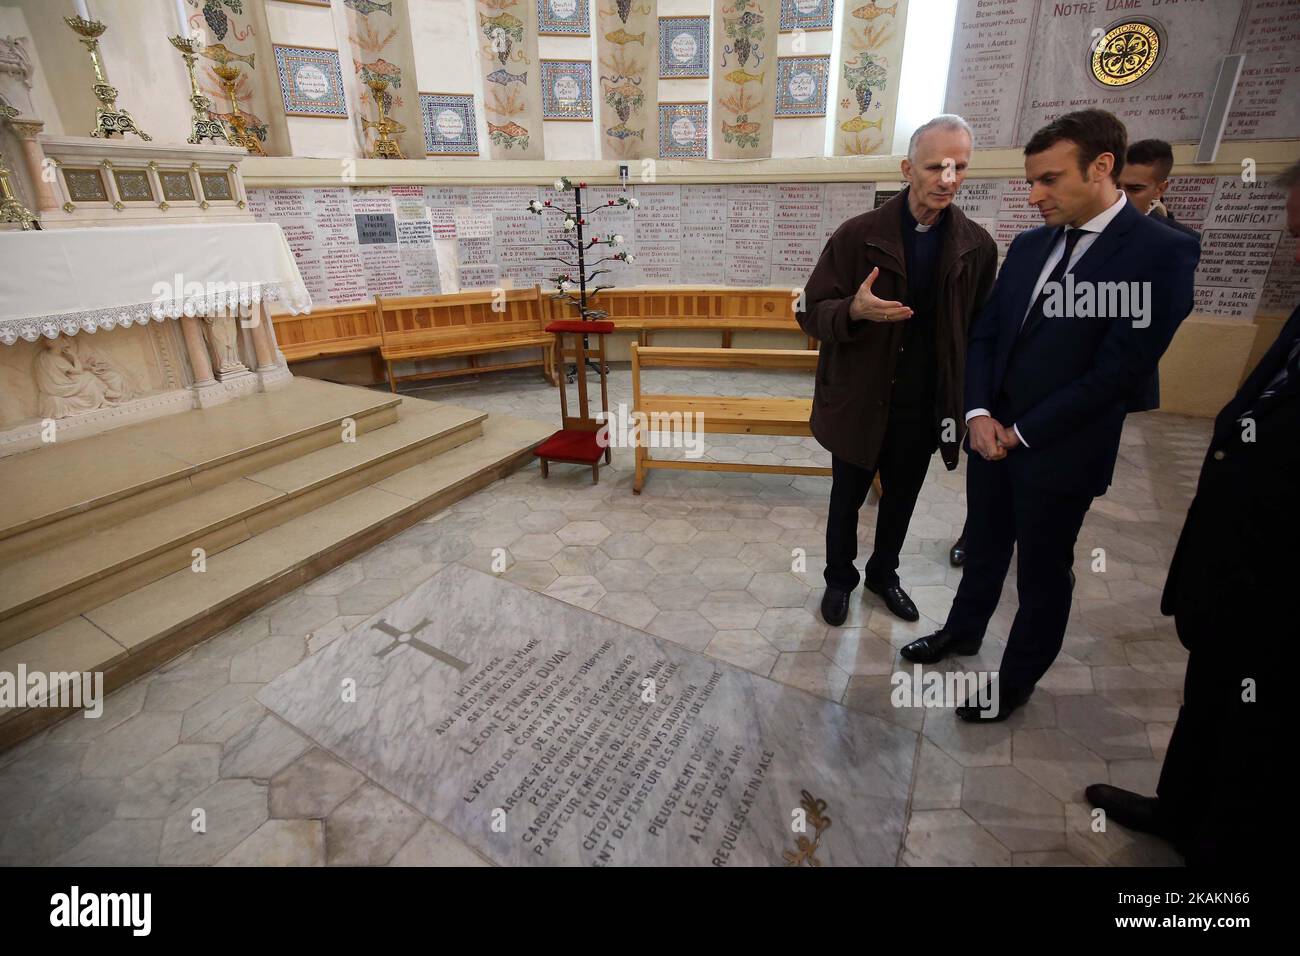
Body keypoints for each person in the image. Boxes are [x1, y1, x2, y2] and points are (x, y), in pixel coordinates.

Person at [900, 109, 1201, 721]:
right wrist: (978, 413)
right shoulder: (1031, 244)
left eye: (1049, 180)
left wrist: (1022, 432)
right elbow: (988, 333)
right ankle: (962, 632)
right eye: (1031, 181)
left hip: (1061, 450)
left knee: (1042, 572)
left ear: (1101, 167)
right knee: (984, 547)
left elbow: (1118, 371)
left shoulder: (1161, 253)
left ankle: (1014, 682)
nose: (1034, 195)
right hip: (992, 438)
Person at [1085, 159, 1300, 864]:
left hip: (1281, 576)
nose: (1291, 225)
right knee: (1212, 693)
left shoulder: (1168, 248)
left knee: (1260, 728)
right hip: (1241, 563)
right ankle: (1179, 808)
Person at [797, 115, 997, 627]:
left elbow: (980, 332)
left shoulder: (976, 246)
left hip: (924, 404)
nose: (948, 179)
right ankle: (839, 579)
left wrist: (971, 403)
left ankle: (884, 575)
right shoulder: (857, 236)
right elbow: (809, 312)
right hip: (861, 398)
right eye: (935, 167)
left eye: (960, 167)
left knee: (902, 499)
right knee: (846, 499)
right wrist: (853, 310)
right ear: (908, 169)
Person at [1120, 139, 1201, 240]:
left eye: (1135, 189)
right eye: (1115, 186)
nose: (1121, 195)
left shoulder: (1181, 240)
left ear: (1160, 189)